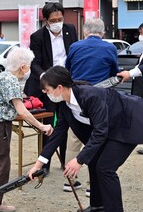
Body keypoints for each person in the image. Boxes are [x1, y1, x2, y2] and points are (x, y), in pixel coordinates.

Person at [28, 65, 143, 212]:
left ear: (59, 88)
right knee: (94, 161)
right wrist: (39, 164)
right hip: (110, 126)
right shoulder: (64, 104)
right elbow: (59, 133)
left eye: (47, 90)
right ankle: (98, 206)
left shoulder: (90, 95)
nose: (45, 93)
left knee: (105, 168)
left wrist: (79, 159)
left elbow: (100, 131)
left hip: (128, 122)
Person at [0, 47, 53, 212]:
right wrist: (41, 126)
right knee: (0, 168)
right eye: (29, 66)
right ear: (23, 67)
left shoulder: (2, 77)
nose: (29, 70)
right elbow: (22, 110)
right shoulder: (10, 80)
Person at [64, 17, 119, 194]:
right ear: (103, 33)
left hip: (77, 96)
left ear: (85, 31)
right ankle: (92, 185)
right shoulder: (110, 48)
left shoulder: (75, 47)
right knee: (98, 138)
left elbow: (68, 69)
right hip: (100, 97)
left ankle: (70, 180)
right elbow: (114, 73)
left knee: (74, 138)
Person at [24, 2, 77, 174]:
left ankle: (64, 161)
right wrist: (46, 80)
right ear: (46, 20)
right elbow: (35, 64)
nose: (57, 22)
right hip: (46, 87)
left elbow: (73, 55)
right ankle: (44, 164)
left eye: (60, 19)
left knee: (66, 122)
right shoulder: (37, 37)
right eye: (53, 20)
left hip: (65, 86)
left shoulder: (70, 30)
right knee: (47, 126)